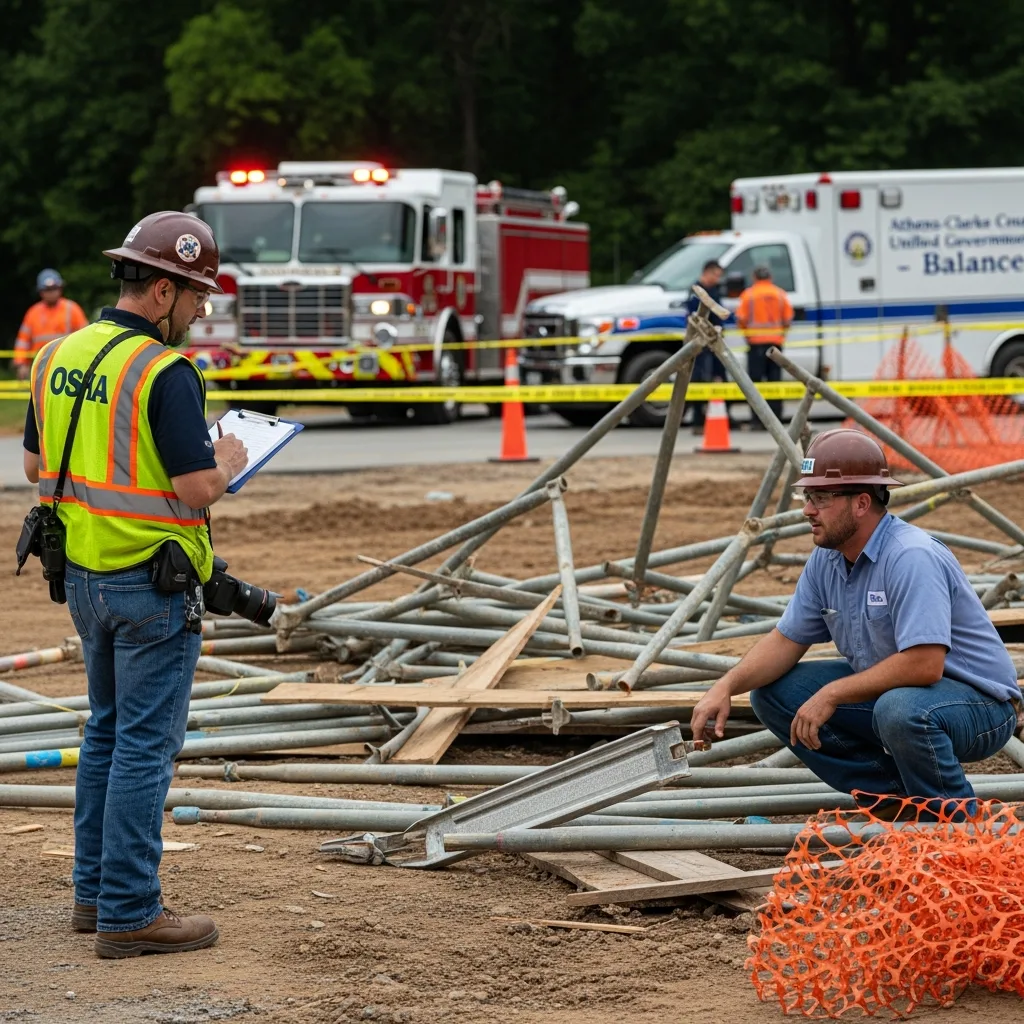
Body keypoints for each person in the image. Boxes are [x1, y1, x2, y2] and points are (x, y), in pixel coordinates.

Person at [21, 212, 248, 957]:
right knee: (146, 749)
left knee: (107, 737)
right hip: (152, 586)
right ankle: (129, 912)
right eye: (194, 296)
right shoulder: (164, 371)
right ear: (160, 290)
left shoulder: (55, 354)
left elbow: (34, 467)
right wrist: (233, 462)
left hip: (84, 581)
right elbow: (194, 489)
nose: (200, 311)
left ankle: (95, 896)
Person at [689, 429, 1019, 817]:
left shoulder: (910, 557)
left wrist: (832, 694)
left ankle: (952, 823)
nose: (807, 510)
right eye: (807, 497)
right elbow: (784, 640)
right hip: (903, 696)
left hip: (979, 705)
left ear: (862, 503)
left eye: (821, 499)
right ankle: (898, 805)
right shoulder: (827, 559)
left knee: (900, 710)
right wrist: (725, 687)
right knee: (772, 692)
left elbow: (924, 664)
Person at [735, 265, 792, 427]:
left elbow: (741, 319)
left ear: (754, 278)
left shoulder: (749, 295)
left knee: (756, 384)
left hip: (755, 344)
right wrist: (781, 335)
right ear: (770, 278)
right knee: (775, 382)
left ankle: (757, 420)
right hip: (776, 345)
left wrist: (747, 334)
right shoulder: (780, 294)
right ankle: (776, 419)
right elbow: (787, 320)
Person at [12, 269, 88, 380]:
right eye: (47, 289)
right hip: (39, 368)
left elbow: (86, 338)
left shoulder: (72, 309)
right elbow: (23, 341)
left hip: (67, 367)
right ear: (40, 292)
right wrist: (21, 364)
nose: (51, 293)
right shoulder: (33, 313)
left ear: (60, 289)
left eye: (54, 288)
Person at [687, 259, 729, 433]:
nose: (718, 279)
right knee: (698, 378)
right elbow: (693, 317)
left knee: (720, 377)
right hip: (699, 343)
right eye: (716, 275)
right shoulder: (695, 292)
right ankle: (698, 419)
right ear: (707, 273)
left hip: (715, 342)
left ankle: (724, 416)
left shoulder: (715, 290)